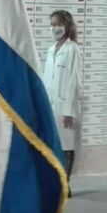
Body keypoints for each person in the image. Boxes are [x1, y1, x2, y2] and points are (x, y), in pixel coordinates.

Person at [43, 10, 83, 193]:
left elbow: (75, 80)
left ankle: (65, 185)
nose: (55, 28)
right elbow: (46, 79)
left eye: (59, 24)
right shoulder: (51, 49)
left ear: (67, 26)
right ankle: (54, 181)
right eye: (52, 24)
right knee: (52, 145)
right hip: (50, 105)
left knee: (67, 146)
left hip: (66, 106)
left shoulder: (72, 48)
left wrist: (69, 110)